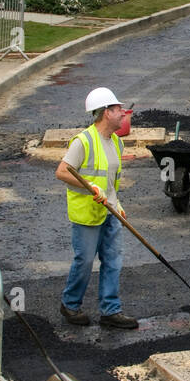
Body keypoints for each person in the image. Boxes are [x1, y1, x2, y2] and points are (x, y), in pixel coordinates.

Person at [54, 87, 139, 329]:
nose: (123, 113)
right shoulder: (83, 142)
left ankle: (111, 311)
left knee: (113, 261)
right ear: (105, 113)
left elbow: (112, 181)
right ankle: (70, 305)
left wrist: (117, 202)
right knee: (84, 261)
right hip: (87, 215)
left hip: (109, 211)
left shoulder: (115, 142)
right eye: (117, 109)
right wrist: (90, 185)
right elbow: (61, 172)